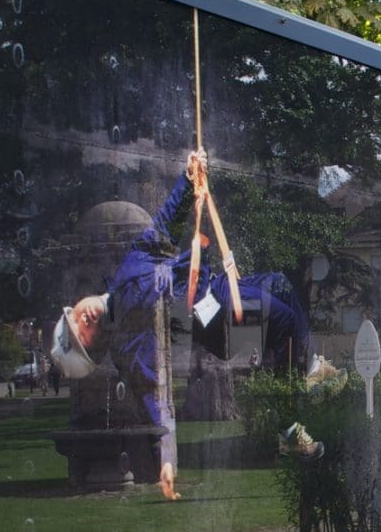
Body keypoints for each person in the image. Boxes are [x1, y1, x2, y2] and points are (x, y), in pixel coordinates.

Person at [51, 150, 335, 501]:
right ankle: (292, 421)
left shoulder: (127, 269)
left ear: (75, 306)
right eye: (85, 337)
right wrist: (167, 460)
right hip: (211, 316)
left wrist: (188, 180)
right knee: (285, 321)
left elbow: (164, 226)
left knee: (281, 284)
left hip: (214, 286)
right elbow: (155, 399)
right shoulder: (130, 344)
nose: (85, 322)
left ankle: (310, 370)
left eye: (76, 320)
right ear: (98, 348)